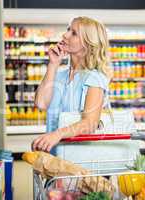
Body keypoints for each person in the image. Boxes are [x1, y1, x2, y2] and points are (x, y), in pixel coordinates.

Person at [32, 16, 111, 153]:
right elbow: (41, 103)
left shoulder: (94, 78)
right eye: (68, 29)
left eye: (74, 33)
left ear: (87, 44)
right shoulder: (59, 75)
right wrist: (53, 64)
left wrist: (57, 134)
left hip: (80, 160)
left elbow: (90, 123)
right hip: (55, 153)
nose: (65, 35)